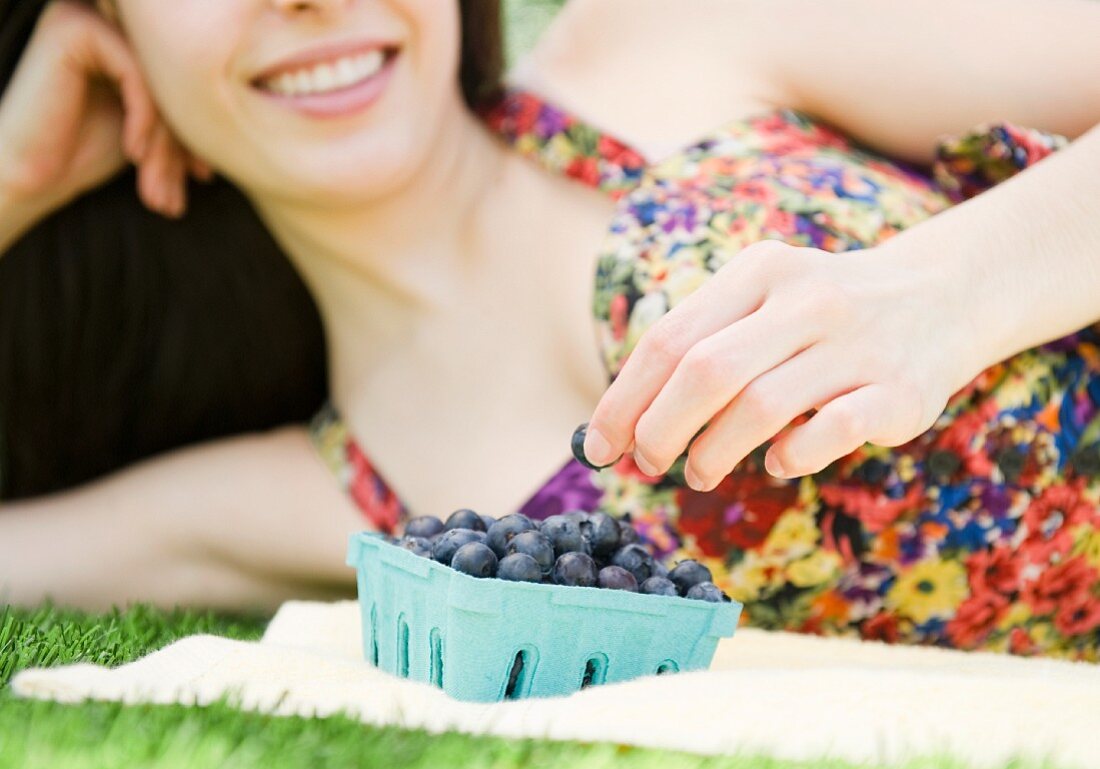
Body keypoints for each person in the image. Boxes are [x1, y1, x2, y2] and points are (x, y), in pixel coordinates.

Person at [0, 0, 1097, 660]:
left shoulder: (665, 33)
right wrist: (14, 177)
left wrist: (945, 291)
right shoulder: (342, 495)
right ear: (116, 29)